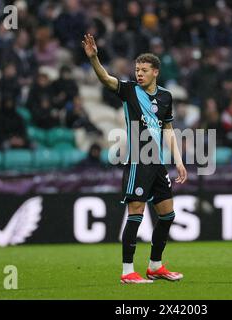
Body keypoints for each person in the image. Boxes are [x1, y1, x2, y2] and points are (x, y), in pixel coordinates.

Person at [82, 33, 187, 284]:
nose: (138, 73)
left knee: (167, 215)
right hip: (138, 161)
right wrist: (95, 59)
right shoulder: (129, 91)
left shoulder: (165, 97)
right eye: (137, 69)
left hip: (158, 164)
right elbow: (106, 78)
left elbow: (168, 130)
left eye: (144, 70)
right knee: (136, 212)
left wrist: (179, 161)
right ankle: (127, 271)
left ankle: (155, 266)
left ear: (155, 73)